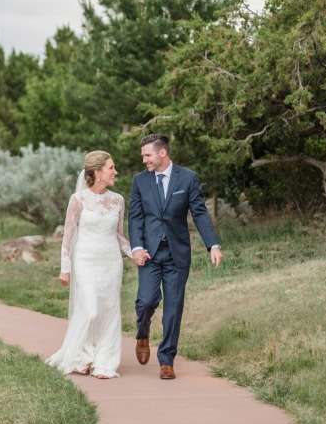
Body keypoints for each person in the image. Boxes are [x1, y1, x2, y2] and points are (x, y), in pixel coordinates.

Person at [128, 134, 222, 379]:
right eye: (143, 156)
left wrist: (212, 244)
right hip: (149, 253)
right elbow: (136, 217)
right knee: (146, 301)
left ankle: (166, 359)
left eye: (147, 155)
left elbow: (199, 213)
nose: (144, 160)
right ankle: (142, 333)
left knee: (173, 307)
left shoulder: (188, 178)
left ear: (162, 153)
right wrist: (136, 247)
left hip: (177, 254)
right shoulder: (140, 181)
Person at [47, 151, 134, 379]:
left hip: (111, 262)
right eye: (111, 168)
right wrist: (65, 268)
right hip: (85, 261)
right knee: (91, 309)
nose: (115, 172)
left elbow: (119, 236)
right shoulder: (78, 200)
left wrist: (134, 253)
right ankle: (82, 356)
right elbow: (67, 236)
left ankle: (104, 361)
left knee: (109, 311)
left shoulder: (118, 200)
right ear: (97, 173)